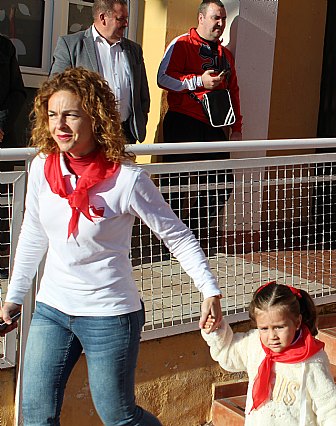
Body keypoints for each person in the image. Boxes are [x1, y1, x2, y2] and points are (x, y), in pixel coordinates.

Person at [0, 68, 224, 425]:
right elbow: (33, 233)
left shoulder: (127, 179)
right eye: (53, 114)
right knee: (34, 414)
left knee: (118, 416)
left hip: (110, 313)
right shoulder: (42, 166)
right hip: (52, 309)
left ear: (95, 116)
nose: (60, 125)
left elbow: (176, 235)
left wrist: (209, 289)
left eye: (71, 114)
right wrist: (14, 296)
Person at [201, 282, 336, 425]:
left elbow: (331, 408)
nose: (272, 336)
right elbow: (228, 354)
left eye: (279, 327)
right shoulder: (254, 343)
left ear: (297, 322)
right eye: (264, 328)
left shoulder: (311, 361)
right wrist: (215, 330)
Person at [50, 0, 150, 144]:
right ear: (103, 18)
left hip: (125, 134)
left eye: (127, 19)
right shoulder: (71, 45)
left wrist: (139, 122)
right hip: (87, 133)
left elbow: (142, 94)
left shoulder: (133, 50)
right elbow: (55, 89)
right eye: (121, 19)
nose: (126, 24)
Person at [158, 0, 243, 147]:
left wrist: (236, 129)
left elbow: (233, 92)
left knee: (219, 171)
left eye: (223, 19)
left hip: (216, 126)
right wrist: (199, 81)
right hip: (184, 122)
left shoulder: (226, 55)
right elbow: (163, 78)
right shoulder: (182, 43)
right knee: (182, 170)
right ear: (201, 18)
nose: (221, 23)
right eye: (215, 18)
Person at [0, 33, 26, 279]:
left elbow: (18, 92)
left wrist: (1, 125)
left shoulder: (5, 47)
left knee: (2, 205)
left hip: (2, 139)